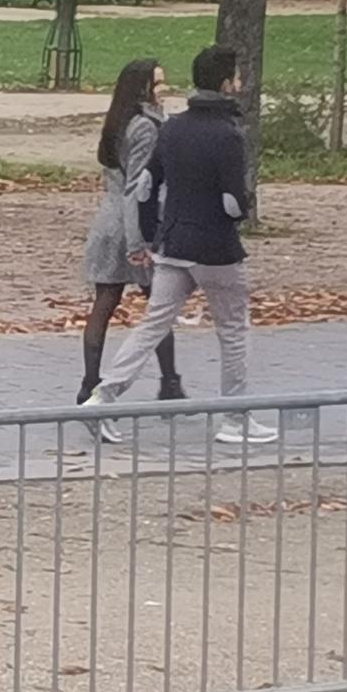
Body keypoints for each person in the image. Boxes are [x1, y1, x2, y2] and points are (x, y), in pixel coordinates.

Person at [83, 45, 276, 445]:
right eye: (236, 77)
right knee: (233, 328)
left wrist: (152, 234)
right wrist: (238, 211)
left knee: (153, 323)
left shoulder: (172, 128)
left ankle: (103, 395)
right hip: (216, 249)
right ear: (225, 84)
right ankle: (234, 417)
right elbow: (235, 200)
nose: (239, 83)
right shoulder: (228, 135)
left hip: (173, 245)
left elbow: (145, 187)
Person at [77, 58, 183, 404]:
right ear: (143, 89)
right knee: (159, 305)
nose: (164, 89)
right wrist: (140, 240)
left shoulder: (117, 122)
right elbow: (138, 186)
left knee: (104, 303)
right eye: (158, 83)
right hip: (133, 224)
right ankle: (169, 381)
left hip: (107, 221)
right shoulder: (146, 127)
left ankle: (89, 381)